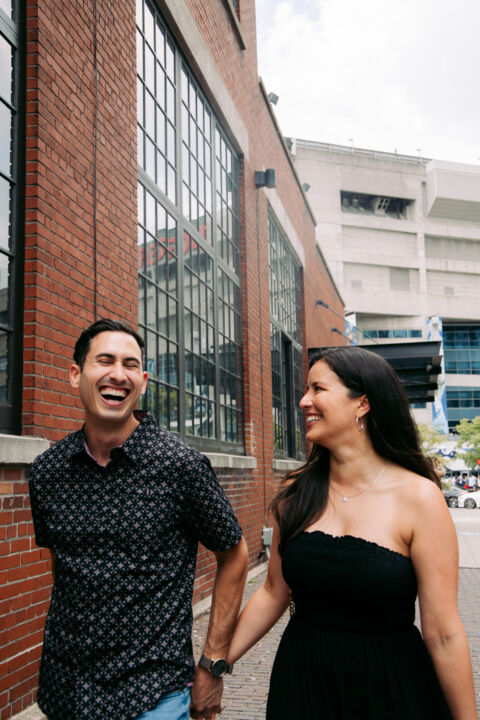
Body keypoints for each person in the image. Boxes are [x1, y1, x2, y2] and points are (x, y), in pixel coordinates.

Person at [227, 346, 476, 720]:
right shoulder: (294, 493)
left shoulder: (419, 497)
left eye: (318, 389)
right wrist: (215, 664)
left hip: (389, 692)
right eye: (306, 389)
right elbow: (273, 591)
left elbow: (443, 634)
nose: (303, 401)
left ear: (362, 403)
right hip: (303, 688)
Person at [29, 319, 248, 720]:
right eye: (105, 361)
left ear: (143, 382)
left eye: (130, 365)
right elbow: (61, 565)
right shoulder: (47, 472)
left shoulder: (181, 467)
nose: (118, 374)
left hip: (153, 695)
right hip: (67, 692)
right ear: (75, 374)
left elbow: (234, 555)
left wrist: (212, 663)